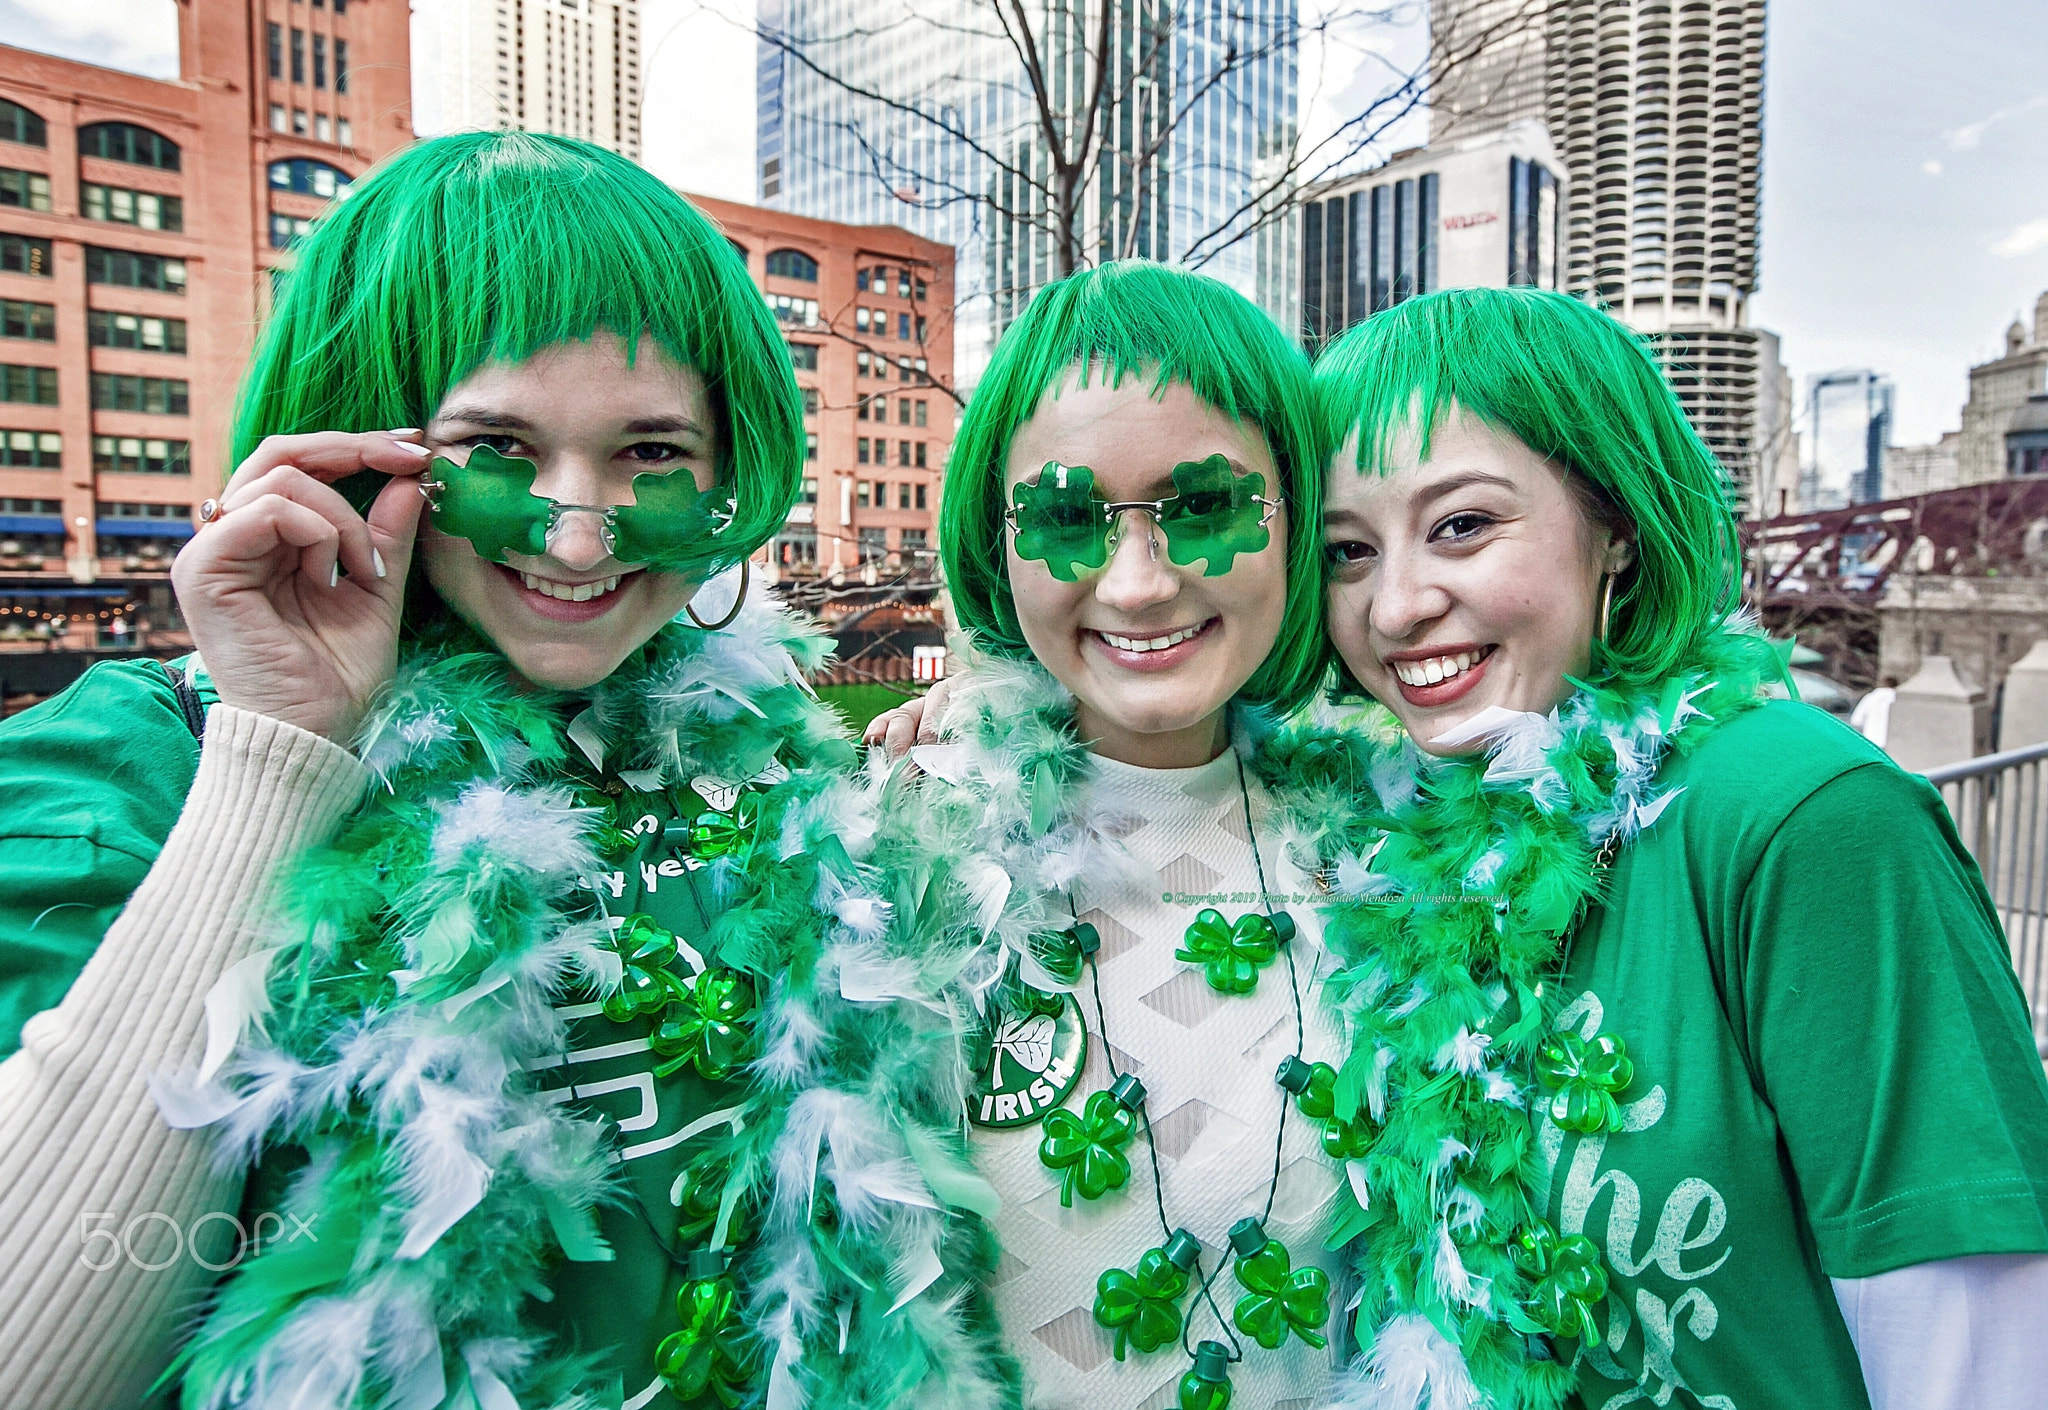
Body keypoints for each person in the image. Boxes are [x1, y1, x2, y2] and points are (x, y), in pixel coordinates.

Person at [0, 132, 1010, 1410]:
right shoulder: (131, 773)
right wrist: (280, 753)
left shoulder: (777, 773)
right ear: (353, 440)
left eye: (651, 455)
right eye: (494, 451)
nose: (579, 532)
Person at [1307, 287, 2048, 1409]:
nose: (1395, 606)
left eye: (1460, 524)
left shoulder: (1807, 818)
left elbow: (1973, 1359)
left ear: (1612, 525)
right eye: (1347, 552)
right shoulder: (1394, 845)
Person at [868, 261, 1389, 1410]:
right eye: (1065, 516)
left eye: (1203, 505)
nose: (1140, 581)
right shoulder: (888, 854)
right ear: (996, 548)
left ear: (1294, 517)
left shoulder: (1391, 849)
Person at [1850, 674, 1899, 749]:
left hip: (1871, 740)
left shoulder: (1870, 698)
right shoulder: (1899, 700)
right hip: (1892, 743)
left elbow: (1856, 720)